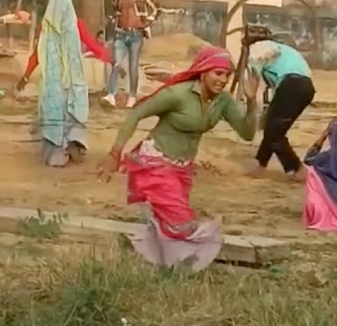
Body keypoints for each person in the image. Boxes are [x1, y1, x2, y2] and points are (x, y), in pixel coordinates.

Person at [97, 45, 259, 270]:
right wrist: (115, 154)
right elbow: (136, 114)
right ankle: (182, 268)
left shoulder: (223, 102)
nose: (222, 80)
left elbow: (247, 133)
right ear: (203, 72)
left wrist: (251, 102)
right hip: (156, 162)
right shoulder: (178, 94)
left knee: (166, 223)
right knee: (182, 222)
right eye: (217, 73)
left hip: (183, 169)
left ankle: (160, 267)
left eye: (227, 74)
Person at [16, 0, 112, 167]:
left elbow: (37, 55)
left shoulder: (64, 26)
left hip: (61, 83)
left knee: (62, 113)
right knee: (65, 113)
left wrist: (26, 76)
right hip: (63, 83)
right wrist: (104, 55)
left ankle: (68, 147)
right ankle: (62, 148)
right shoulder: (57, 26)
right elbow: (39, 53)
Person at [251, 40, 315, 176]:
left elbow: (254, 81)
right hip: (307, 88)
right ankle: (260, 164)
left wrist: (252, 103)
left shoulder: (256, 50)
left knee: (275, 132)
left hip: (290, 85)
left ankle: (297, 168)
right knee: (273, 128)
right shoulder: (284, 49)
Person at [101, 0, 158, 109]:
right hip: (120, 33)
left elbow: (157, 8)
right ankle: (111, 95)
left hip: (136, 34)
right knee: (116, 63)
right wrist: (113, 20)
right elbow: (114, 10)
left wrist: (147, 22)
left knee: (133, 66)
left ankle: (132, 96)